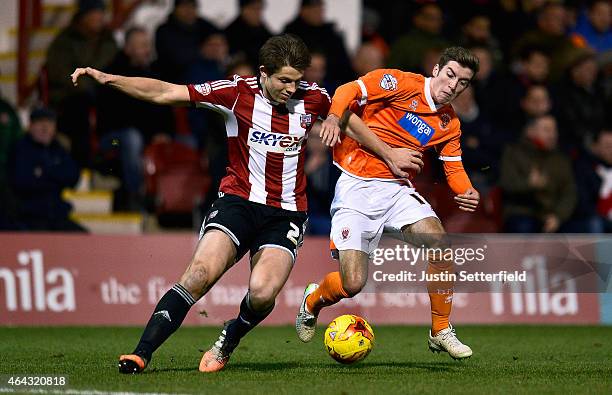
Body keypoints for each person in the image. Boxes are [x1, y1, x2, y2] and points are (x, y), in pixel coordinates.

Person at [72, 34, 347, 374]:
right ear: (264, 72)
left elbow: (347, 108)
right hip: (238, 202)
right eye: (284, 80)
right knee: (199, 275)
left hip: (286, 213)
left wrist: (341, 121)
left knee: (262, 294)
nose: (292, 88)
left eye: (297, 80)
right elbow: (164, 91)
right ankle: (141, 353)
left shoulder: (315, 98)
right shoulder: (234, 93)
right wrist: (109, 78)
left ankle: (229, 338)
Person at [295, 47, 481, 360]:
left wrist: (467, 189)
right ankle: (313, 299)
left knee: (440, 245)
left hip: (396, 190)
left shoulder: (449, 123)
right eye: (450, 75)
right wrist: (331, 117)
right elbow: (347, 90)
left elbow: (454, 167)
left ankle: (440, 330)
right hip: (355, 187)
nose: (453, 85)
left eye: (462, 82)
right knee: (352, 284)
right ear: (436, 70)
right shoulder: (400, 83)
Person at [8, 107, 85, 232]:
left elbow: (73, 177)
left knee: (83, 239)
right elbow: (22, 182)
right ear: (30, 126)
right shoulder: (21, 149)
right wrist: (56, 174)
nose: (45, 128)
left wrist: (44, 172)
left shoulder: (58, 149)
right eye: (40, 123)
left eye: (49, 123)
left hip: (58, 215)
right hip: (30, 217)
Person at [499, 115, 577, 233]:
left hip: (554, 215)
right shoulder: (514, 153)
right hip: (523, 213)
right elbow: (507, 184)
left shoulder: (561, 159)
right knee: (523, 226)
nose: (552, 135)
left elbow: (569, 193)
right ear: (530, 132)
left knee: (585, 228)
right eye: (546, 130)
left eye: (554, 130)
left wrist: (558, 216)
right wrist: (529, 184)